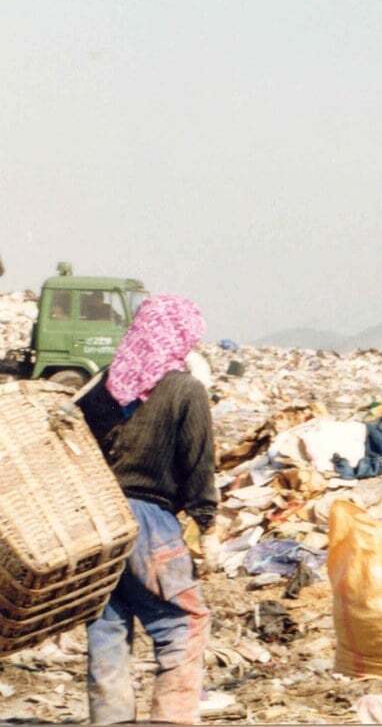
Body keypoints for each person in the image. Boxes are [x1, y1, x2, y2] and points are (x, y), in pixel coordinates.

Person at [78, 295, 220, 725]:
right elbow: (198, 463)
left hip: (98, 522)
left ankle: (111, 719)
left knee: (107, 623)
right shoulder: (185, 390)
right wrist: (207, 524)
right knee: (182, 623)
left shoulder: (105, 388)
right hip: (149, 522)